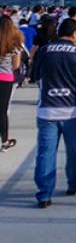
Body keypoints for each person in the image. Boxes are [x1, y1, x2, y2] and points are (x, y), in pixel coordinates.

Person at [31, 18, 76, 207]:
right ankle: (74, 183)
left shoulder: (44, 51)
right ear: (75, 34)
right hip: (72, 110)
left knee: (45, 153)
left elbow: (35, 77)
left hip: (47, 111)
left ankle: (44, 194)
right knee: (74, 150)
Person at [0, 15, 24, 151]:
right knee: (2, 111)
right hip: (5, 78)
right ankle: (4, 141)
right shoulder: (15, 43)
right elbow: (16, 65)